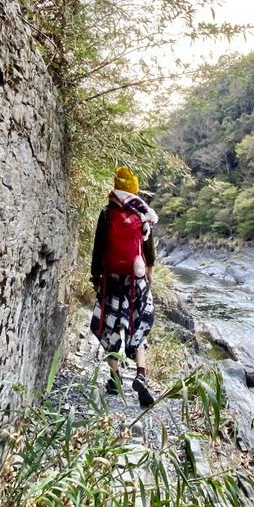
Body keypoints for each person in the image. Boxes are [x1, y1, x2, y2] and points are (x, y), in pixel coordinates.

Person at [89, 166, 159, 407]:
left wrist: (95, 275)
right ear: (135, 187)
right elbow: (149, 250)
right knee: (139, 322)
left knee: (108, 324)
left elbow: (98, 248)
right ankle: (140, 374)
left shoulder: (107, 213)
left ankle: (115, 375)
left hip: (111, 279)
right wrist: (149, 272)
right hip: (135, 280)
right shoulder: (143, 213)